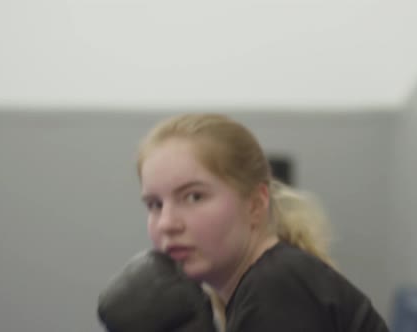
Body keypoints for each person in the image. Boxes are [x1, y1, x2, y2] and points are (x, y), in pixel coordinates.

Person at [136, 113, 389, 332]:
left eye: (194, 197)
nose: (166, 223)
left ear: (255, 204)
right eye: (154, 204)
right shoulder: (267, 283)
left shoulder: (275, 288)